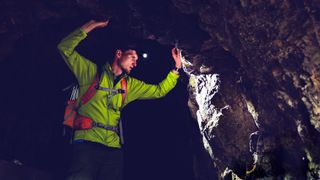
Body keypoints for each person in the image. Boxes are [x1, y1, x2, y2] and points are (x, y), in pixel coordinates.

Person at [57, 20, 182, 180]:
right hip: (87, 144)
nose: (135, 63)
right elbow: (64, 48)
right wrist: (92, 25)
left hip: (113, 150)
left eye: (137, 60)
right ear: (118, 54)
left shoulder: (129, 85)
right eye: (132, 57)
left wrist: (176, 69)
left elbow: (158, 91)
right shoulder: (90, 73)